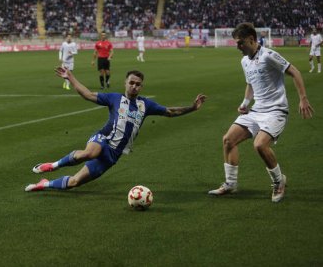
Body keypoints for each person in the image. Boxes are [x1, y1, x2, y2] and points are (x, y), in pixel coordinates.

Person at [25, 68, 206, 192]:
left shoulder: (146, 105)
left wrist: (192, 108)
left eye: (138, 84)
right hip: (103, 138)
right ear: (125, 83)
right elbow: (87, 94)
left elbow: (170, 111)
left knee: (74, 182)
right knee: (91, 152)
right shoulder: (114, 98)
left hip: (113, 155)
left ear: (141, 87)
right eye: (131, 82)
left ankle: (45, 184)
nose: (134, 86)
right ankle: (52, 165)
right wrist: (70, 77)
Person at [208, 23, 314, 203]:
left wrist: (303, 98)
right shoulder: (244, 61)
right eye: (236, 43)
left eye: (240, 43)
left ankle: (279, 181)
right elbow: (251, 84)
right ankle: (230, 183)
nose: (238, 47)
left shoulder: (269, 55)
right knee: (228, 140)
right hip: (257, 110)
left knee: (260, 145)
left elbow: (294, 71)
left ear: (251, 39)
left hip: (276, 111)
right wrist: (245, 103)